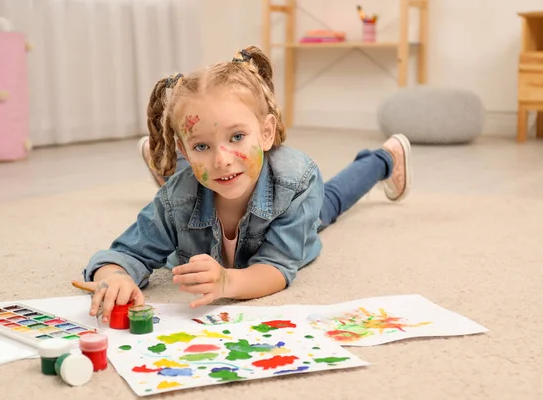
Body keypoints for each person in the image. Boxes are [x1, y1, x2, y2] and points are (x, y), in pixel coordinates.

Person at [73, 46, 412, 324]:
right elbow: (121, 254)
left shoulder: (295, 180)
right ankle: (170, 163)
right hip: (193, 184)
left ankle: (384, 158)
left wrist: (227, 281)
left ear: (266, 132)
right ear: (185, 149)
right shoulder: (177, 200)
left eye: (237, 136)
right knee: (188, 185)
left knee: (331, 203)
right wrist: (115, 276)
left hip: (282, 195)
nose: (222, 158)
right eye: (201, 145)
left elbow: (277, 268)